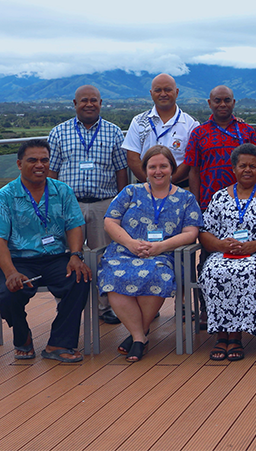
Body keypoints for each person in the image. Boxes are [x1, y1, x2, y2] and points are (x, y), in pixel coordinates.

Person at [0, 139, 92, 363]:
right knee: (7, 294)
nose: (39, 165)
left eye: (44, 160)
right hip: (19, 260)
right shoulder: (4, 196)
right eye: (33, 160)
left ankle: (59, 343)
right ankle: (22, 337)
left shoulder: (62, 191)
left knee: (80, 279)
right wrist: (11, 272)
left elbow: (74, 226)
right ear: (20, 164)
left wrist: (75, 255)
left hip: (56, 257)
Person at [98, 146, 201, 361]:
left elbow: (191, 233)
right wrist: (130, 243)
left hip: (163, 255)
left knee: (156, 273)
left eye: (163, 166)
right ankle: (139, 336)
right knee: (113, 275)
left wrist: (161, 247)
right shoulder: (130, 192)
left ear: (172, 168)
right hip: (125, 251)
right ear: (145, 170)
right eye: (152, 167)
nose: (158, 171)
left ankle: (137, 336)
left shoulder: (186, 198)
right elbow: (110, 221)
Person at [47, 84, 129, 325]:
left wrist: (119, 204)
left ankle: (106, 307)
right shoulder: (58, 132)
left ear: (101, 103)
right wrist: (53, 205)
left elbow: (120, 171)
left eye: (94, 100)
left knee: (105, 257)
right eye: (84, 100)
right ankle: (67, 306)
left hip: (104, 204)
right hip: (69, 205)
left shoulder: (114, 132)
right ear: (75, 104)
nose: (89, 104)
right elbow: (52, 171)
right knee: (67, 256)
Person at [199, 144, 256, 361]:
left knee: (247, 270)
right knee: (212, 270)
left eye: (253, 166)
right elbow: (204, 232)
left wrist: (253, 246)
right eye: (242, 166)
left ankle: (237, 336)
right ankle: (221, 335)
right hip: (223, 253)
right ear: (234, 168)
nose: (247, 170)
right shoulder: (219, 197)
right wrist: (220, 246)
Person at [183, 85, 256, 210]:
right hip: (208, 202)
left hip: (244, 202)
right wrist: (195, 204)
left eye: (227, 100)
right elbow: (194, 171)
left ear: (233, 103)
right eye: (217, 101)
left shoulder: (247, 131)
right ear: (209, 103)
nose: (222, 104)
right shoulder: (198, 133)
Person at [121, 73, 199, 183]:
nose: (163, 94)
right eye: (158, 90)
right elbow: (133, 159)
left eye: (167, 90)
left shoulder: (191, 124)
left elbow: (190, 161)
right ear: (151, 93)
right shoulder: (138, 121)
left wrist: (168, 182)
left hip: (180, 187)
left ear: (176, 92)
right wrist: (151, 182)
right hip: (146, 187)